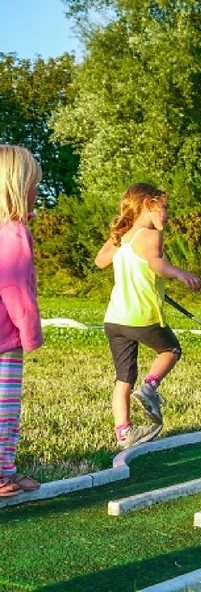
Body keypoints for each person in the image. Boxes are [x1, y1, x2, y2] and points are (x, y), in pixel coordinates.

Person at [95, 182, 201, 449]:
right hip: (141, 316)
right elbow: (155, 262)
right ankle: (151, 387)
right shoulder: (151, 235)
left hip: (115, 319)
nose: (166, 214)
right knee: (171, 351)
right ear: (147, 205)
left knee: (123, 379)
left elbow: (100, 261)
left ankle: (123, 433)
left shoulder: (122, 236)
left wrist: (116, 237)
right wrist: (178, 273)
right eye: (163, 208)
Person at [0, 145, 44, 496]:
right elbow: (14, 286)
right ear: (17, 186)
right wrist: (30, 334)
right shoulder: (13, 233)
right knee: (5, 409)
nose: (38, 192)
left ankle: (7, 470)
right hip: (5, 340)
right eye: (34, 185)